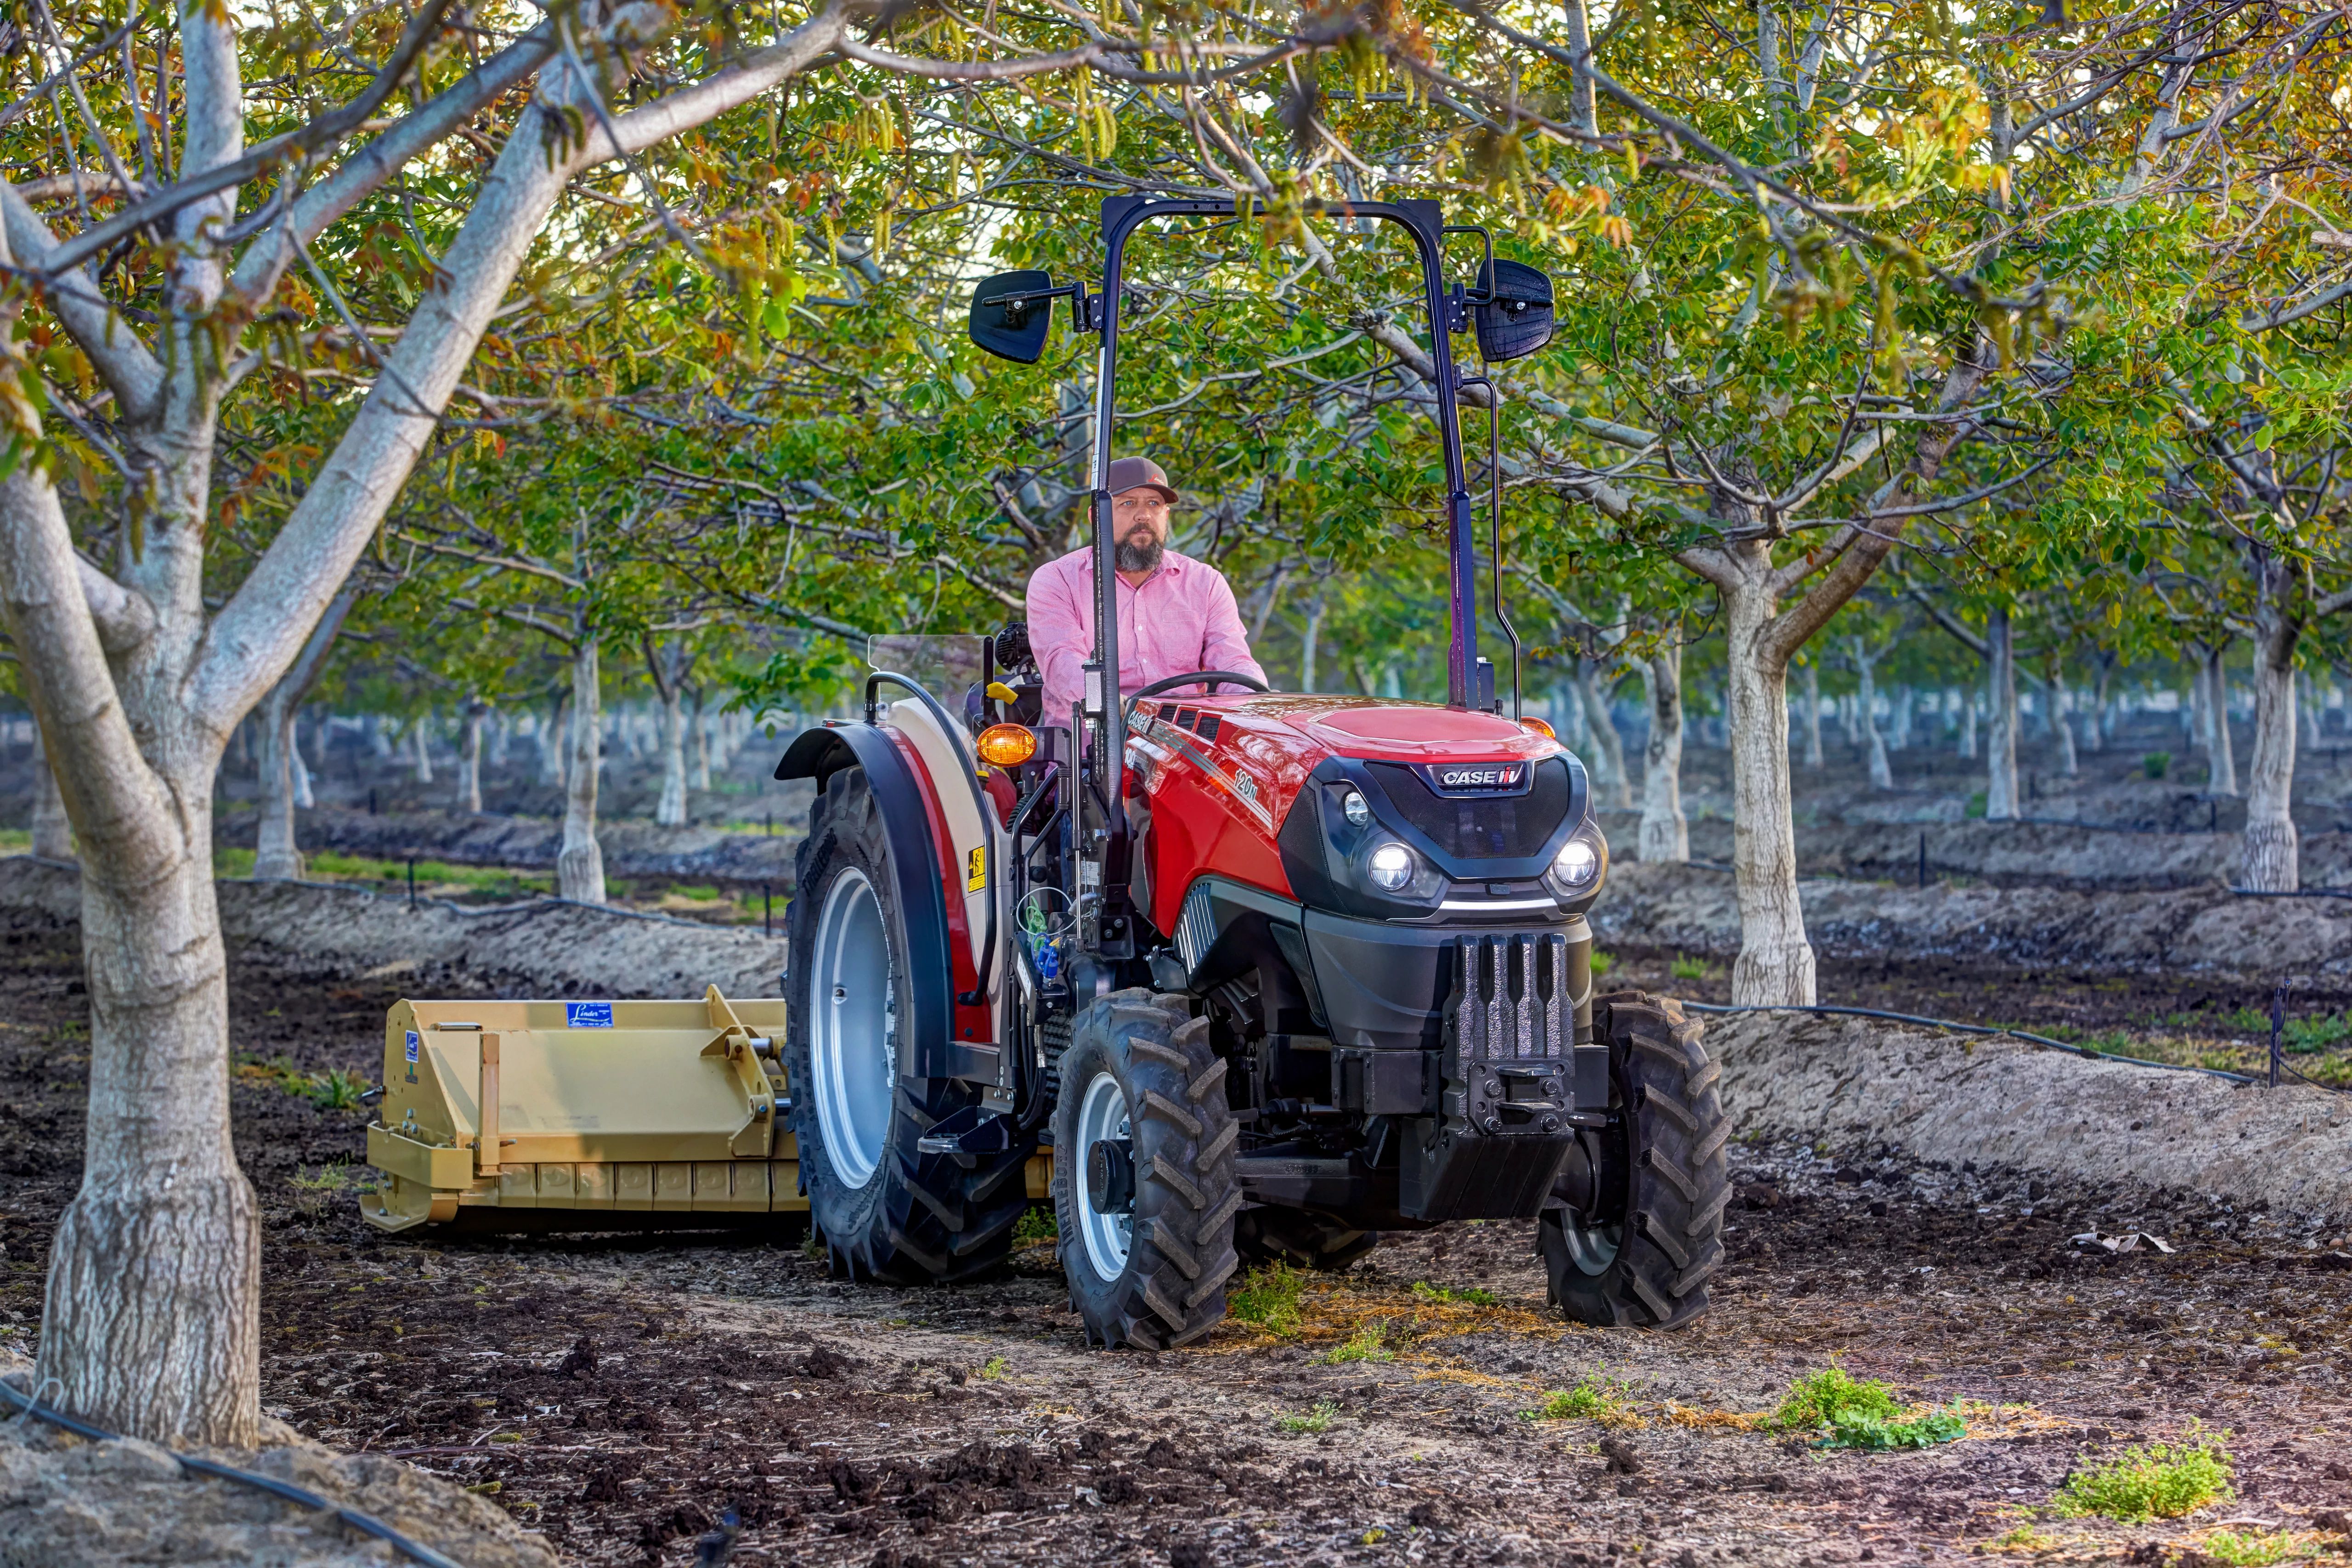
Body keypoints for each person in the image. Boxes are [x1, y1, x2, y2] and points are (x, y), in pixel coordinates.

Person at [1025, 457, 1266, 719]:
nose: (1144, 515)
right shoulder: (1057, 579)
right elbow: (1063, 663)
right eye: (1128, 503)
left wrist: (1260, 701)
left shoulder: (1206, 583)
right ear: (1096, 517)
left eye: (1154, 504)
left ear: (1166, 515)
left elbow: (1233, 661)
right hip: (1090, 748)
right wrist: (1106, 702)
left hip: (1182, 746)